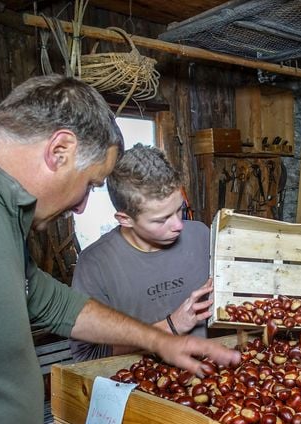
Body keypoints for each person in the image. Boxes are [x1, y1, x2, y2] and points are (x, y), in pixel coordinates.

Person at [0, 75, 239, 424]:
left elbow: (56, 305)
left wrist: (163, 340)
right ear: (59, 150)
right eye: (89, 185)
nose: (81, 207)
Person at [70, 144, 213, 362]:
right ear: (125, 219)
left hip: (213, 382)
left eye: (179, 210)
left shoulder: (201, 235)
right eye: (161, 219)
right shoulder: (95, 265)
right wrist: (170, 326)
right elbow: (87, 357)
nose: (178, 225)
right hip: (142, 389)